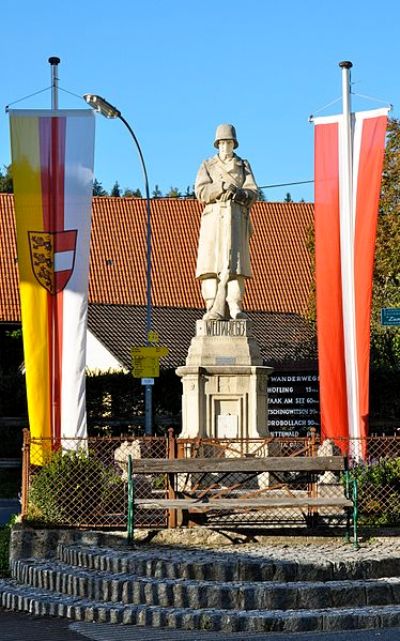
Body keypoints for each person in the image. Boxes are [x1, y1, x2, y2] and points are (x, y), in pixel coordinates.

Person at [195, 124, 258, 320]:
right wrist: (220, 187)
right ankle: (211, 306)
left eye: (228, 142)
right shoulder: (208, 165)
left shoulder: (243, 165)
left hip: (236, 217)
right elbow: (200, 191)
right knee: (210, 266)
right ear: (217, 145)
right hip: (214, 219)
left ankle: (235, 307)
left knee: (236, 267)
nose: (225, 146)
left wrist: (241, 193)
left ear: (234, 144)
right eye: (222, 143)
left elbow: (253, 192)